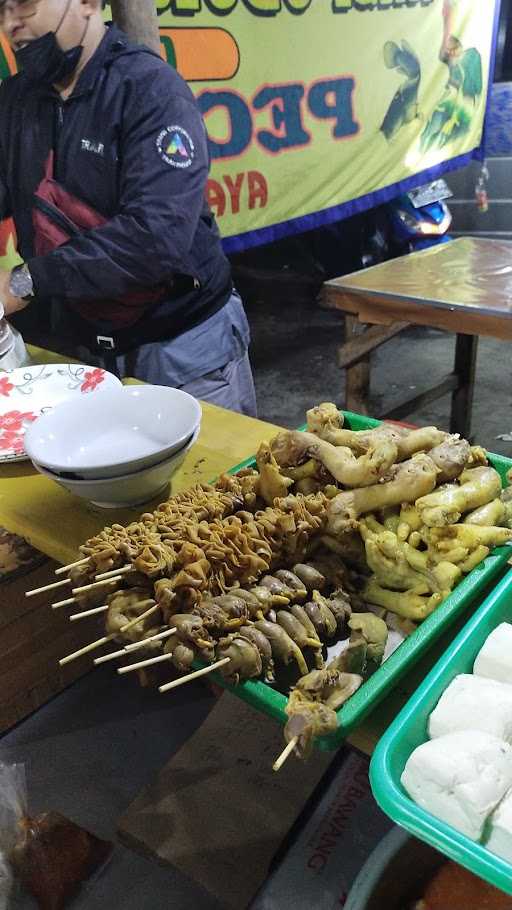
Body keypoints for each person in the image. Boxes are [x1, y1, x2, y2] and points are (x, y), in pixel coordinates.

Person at [0, 0, 257, 416]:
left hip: (183, 352)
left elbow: (154, 239)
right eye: (0, 11)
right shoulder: (16, 100)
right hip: (83, 355)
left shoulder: (151, 90)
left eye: (24, 4)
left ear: (86, 3)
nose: (11, 23)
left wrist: (25, 282)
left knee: (218, 477)